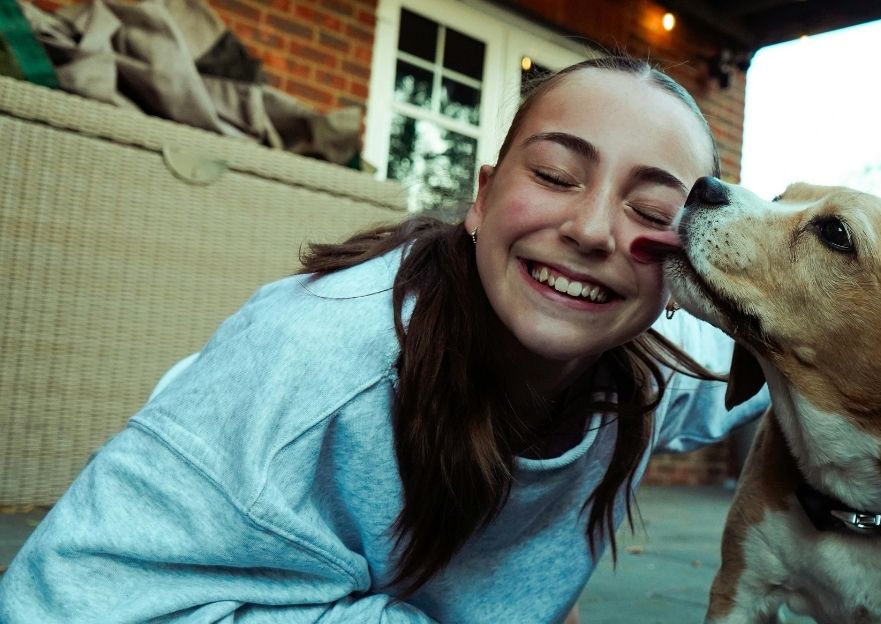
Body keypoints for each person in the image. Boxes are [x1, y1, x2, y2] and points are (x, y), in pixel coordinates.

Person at [0, 56, 767, 622]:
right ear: (482, 196)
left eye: (652, 210)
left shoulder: (653, 373)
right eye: (559, 175)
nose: (593, 230)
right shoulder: (315, 357)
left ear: (681, 272)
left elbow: (806, 365)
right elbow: (52, 599)